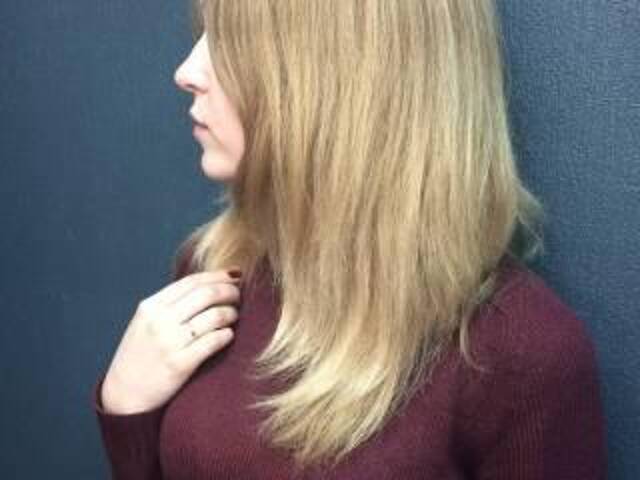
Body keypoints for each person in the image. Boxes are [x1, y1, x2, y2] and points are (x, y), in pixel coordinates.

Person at [91, 1, 608, 478]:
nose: (186, 71)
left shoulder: (520, 354)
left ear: (348, 82)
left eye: (232, 42)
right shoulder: (216, 271)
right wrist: (127, 410)